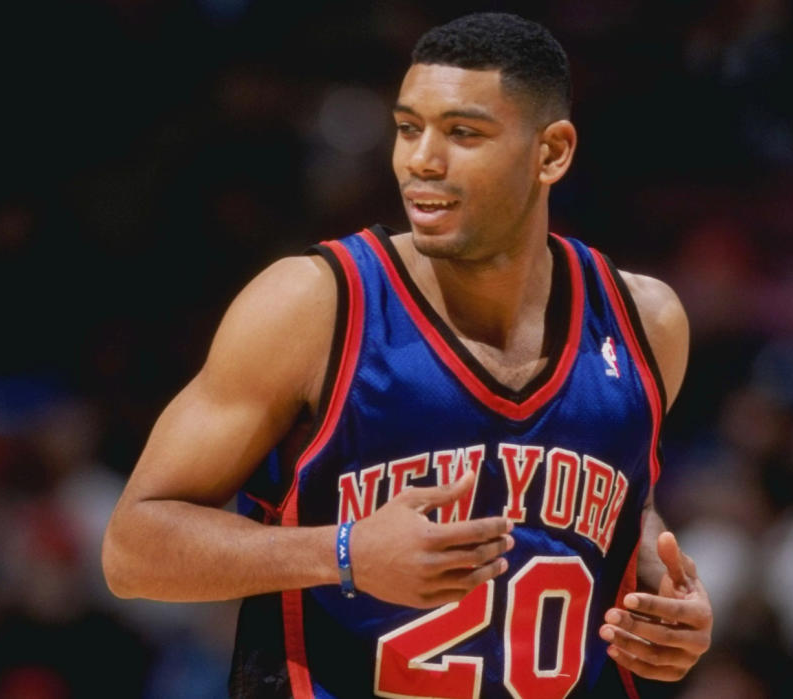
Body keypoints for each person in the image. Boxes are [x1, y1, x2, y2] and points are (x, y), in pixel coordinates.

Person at [102, 12, 712, 698]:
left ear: (552, 153)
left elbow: (617, 509)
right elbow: (132, 548)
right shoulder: (313, 305)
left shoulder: (644, 321)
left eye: (462, 132)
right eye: (407, 127)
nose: (421, 158)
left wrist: (663, 605)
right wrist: (342, 554)